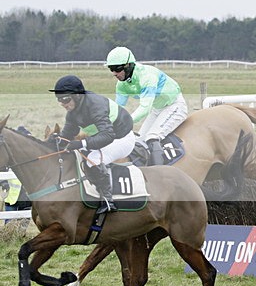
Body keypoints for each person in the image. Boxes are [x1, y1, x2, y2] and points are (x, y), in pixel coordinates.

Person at [50, 75, 135, 214]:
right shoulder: (73, 111)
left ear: (77, 96)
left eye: (65, 99)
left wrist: (81, 143)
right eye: (59, 100)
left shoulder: (95, 105)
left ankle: (108, 200)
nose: (63, 104)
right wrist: (56, 141)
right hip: (105, 138)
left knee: (93, 160)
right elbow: (67, 134)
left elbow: (108, 135)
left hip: (122, 139)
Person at [106, 46, 188, 165]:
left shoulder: (147, 76)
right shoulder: (121, 85)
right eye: (111, 69)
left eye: (117, 69)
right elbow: (117, 109)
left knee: (152, 137)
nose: (114, 73)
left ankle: (161, 174)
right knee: (139, 141)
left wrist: (126, 123)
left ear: (128, 65)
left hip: (175, 106)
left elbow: (145, 108)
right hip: (157, 109)